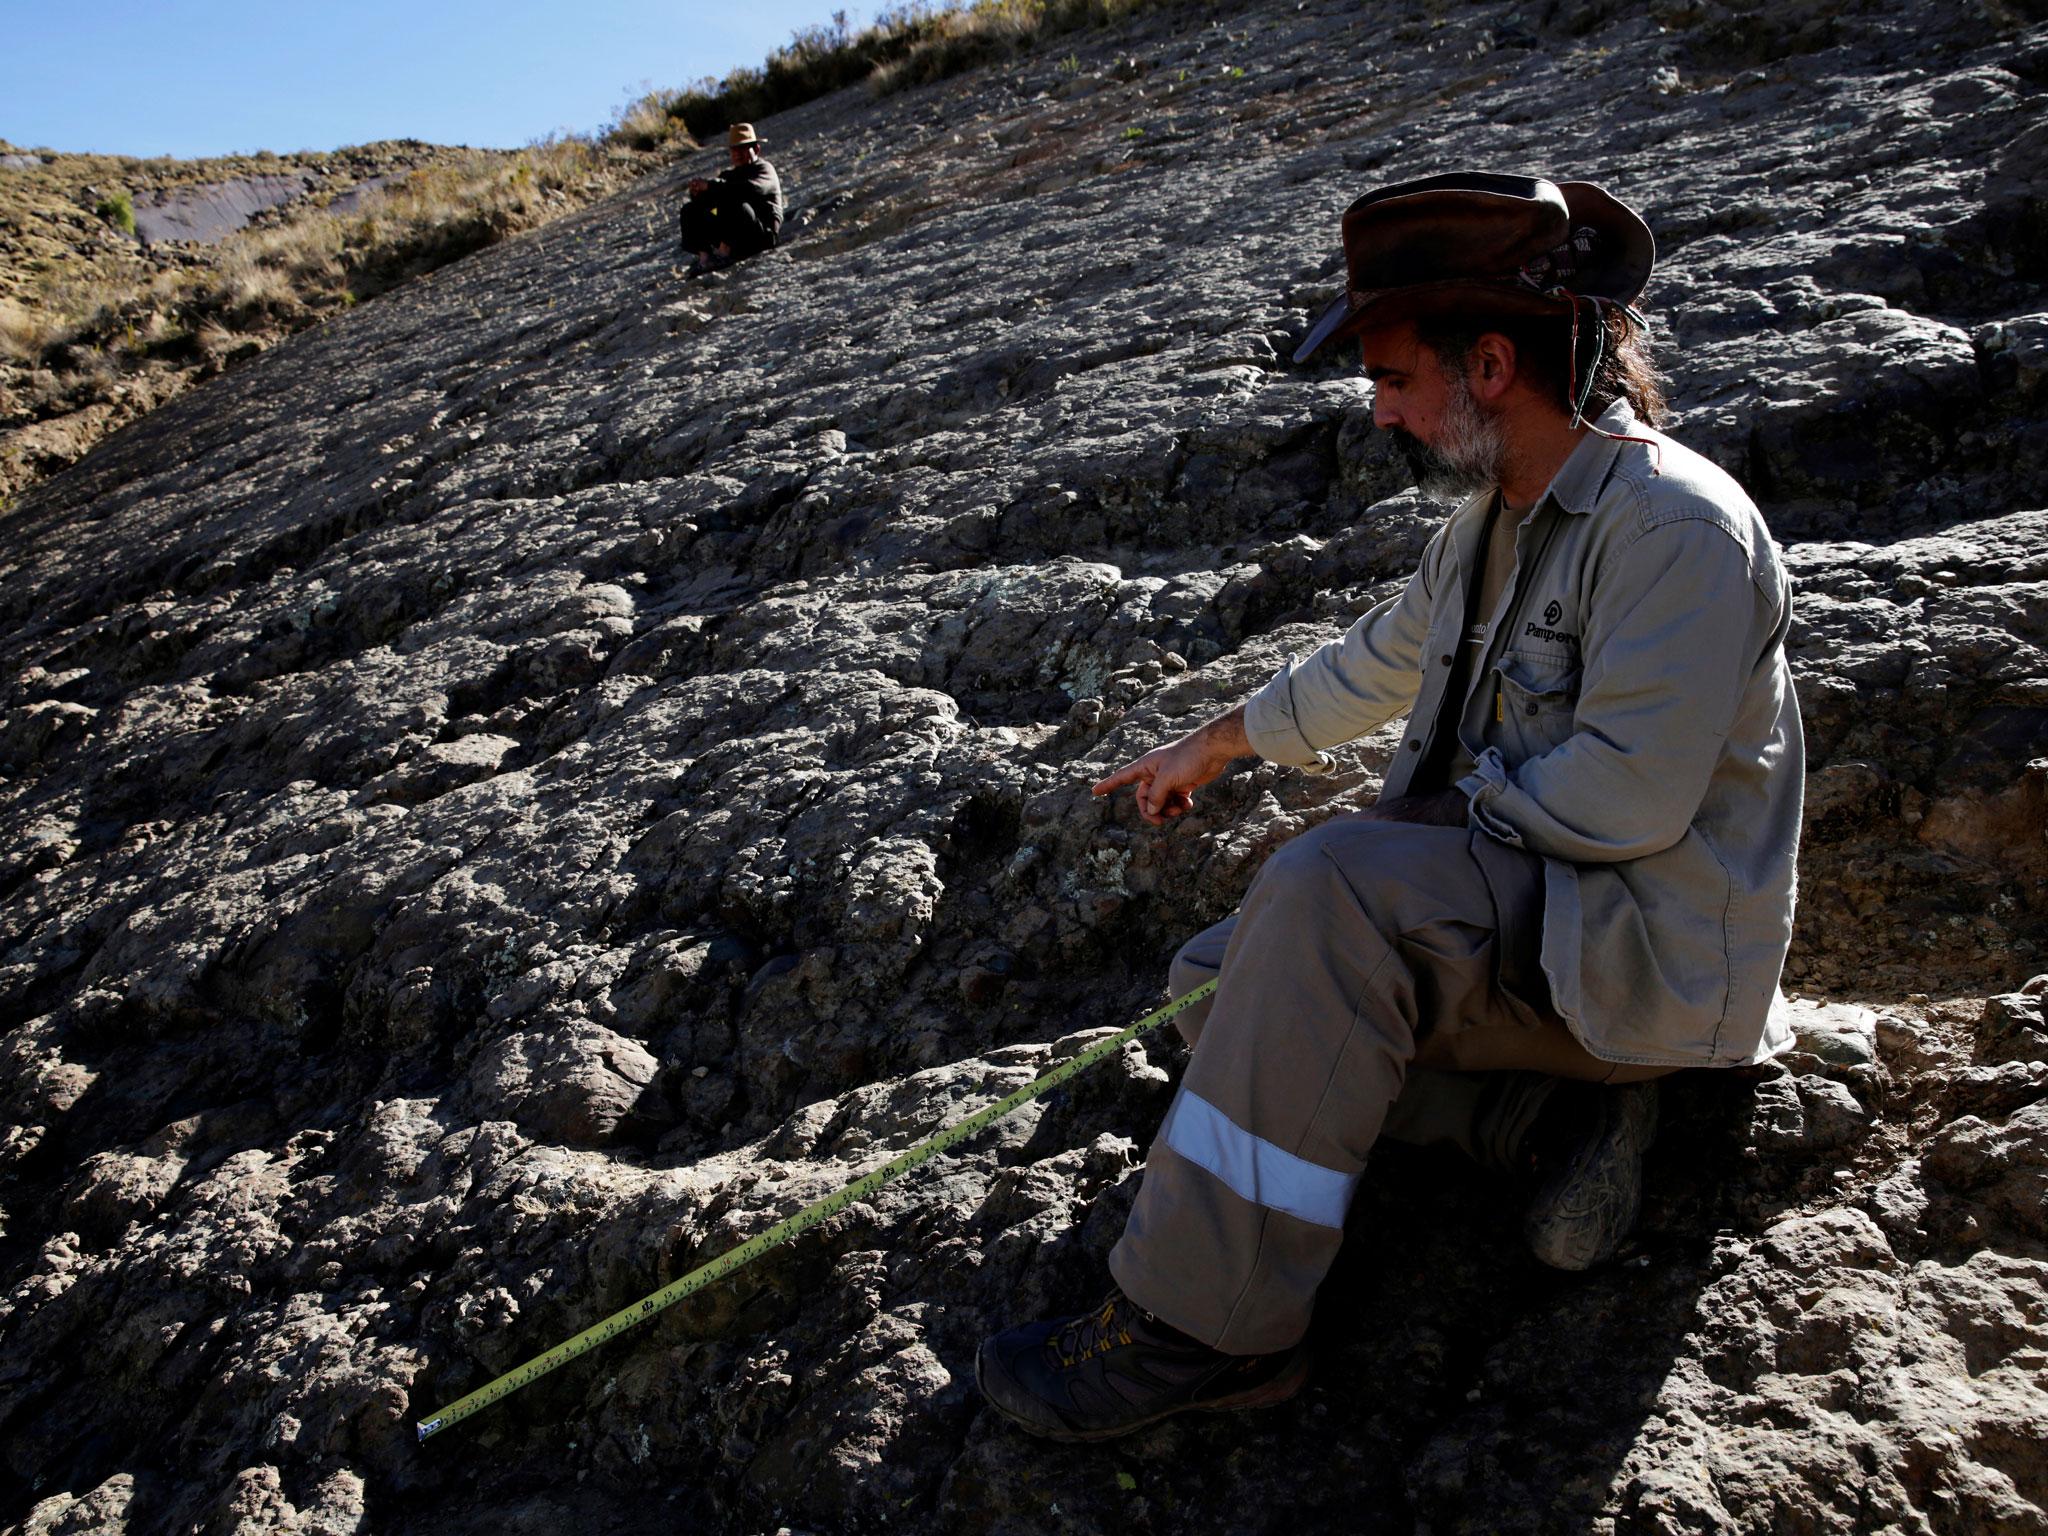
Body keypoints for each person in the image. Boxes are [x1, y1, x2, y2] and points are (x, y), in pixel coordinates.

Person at [975, 171, 1805, 1442]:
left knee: (1323, 895)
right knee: (1216, 982)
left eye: (1392, 379)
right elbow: (1370, 662)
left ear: (1488, 364)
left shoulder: (1673, 528)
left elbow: (1626, 799)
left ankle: (1202, 1333)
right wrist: (1210, 744)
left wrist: (1398, 840)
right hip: (1544, 954)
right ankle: (1532, 1122)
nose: (1378, 414)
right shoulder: (1486, 527)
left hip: (1641, 956)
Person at [678, 123, 784, 276]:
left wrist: (710, 186)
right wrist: (698, 192)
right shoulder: (729, 176)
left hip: (761, 236)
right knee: (690, 210)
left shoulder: (764, 169)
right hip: (737, 237)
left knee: (731, 197)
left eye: (742, 149)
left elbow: (748, 189)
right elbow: (712, 198)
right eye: (734, 150)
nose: (737, 154)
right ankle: (705, 258)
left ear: (756, 149)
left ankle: (723, 253)